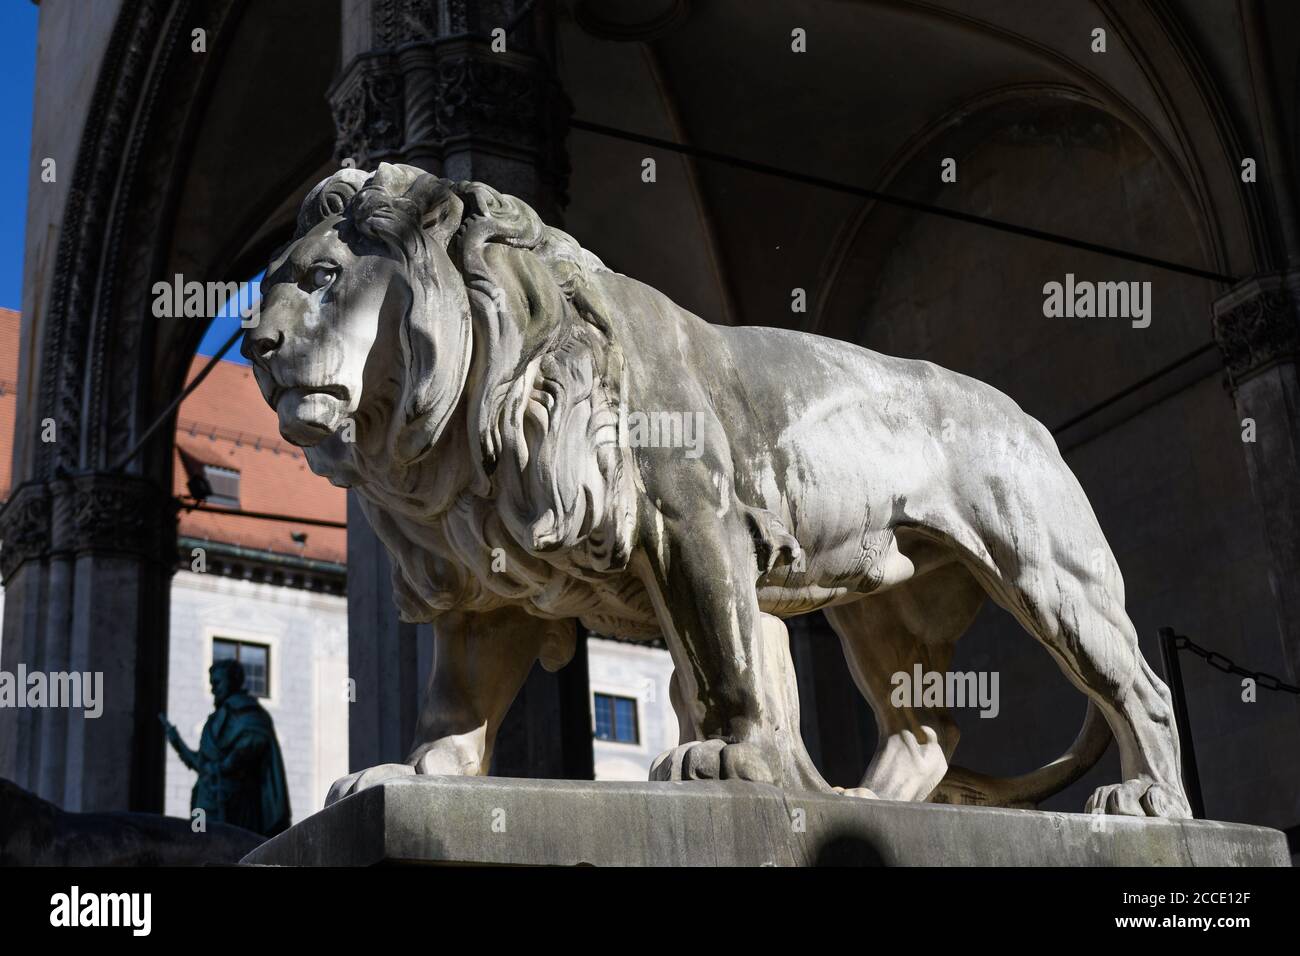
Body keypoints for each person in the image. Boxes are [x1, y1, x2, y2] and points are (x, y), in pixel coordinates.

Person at [159, 659, 291, 838]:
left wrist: (226, 764)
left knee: (235, 851)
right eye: (211, 683)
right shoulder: (212, 720)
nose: (213, 688)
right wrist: (177, 742)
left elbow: (256, 741)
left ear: (233, 681)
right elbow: (202, 765)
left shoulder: (251, 713)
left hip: (235, 803)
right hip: (204, 802)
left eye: (217, 682)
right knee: (200, 849)